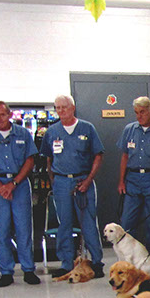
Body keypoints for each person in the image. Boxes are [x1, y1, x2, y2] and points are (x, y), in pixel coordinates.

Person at [0, 101, 40, 286]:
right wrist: (0, 185)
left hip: (19, 185)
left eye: (2, 115)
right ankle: (6, 271)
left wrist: (13, 184)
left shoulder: (23, 134)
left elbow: (30, 160)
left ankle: (28, 269)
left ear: (10, 115)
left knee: (24, 229)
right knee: (1, 229)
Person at [43, 95, 105, 279]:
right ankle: (66, 263)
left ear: (72, 108)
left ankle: (96, 261)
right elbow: (48, 159)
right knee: (65, 224)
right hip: (62, 183)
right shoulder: (52, 131)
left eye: (64, 107)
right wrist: (54, 181)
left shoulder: (87, 128)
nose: (61, 111)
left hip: (83, 181)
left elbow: (98, 156)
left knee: (88, 223)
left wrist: (88, 181)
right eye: (57, 108)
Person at [117, 96, 150, 266]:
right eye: (137, 113)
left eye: (143, 112)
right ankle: (124, 263)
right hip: (132, 180)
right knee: (126, 223)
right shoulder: (129, 129)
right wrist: (121, 181)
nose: (139, 116)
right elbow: (124, 156)